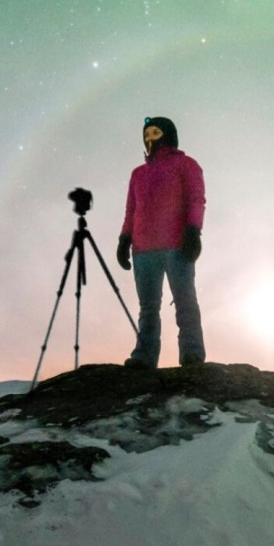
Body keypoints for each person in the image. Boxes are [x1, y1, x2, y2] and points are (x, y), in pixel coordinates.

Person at [116, 116, 206, 368]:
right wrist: (124, 239)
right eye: (146, 134)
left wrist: (193, 230)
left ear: (167, 134)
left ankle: (192, 353)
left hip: (177, 245)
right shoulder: (138, 174)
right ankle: (144, 357)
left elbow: (196, 199)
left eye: (155, 133)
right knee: (148, 307)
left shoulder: (186, 165)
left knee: (185, 299)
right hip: (143, 249)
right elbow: (131, 210)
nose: (150, 139)